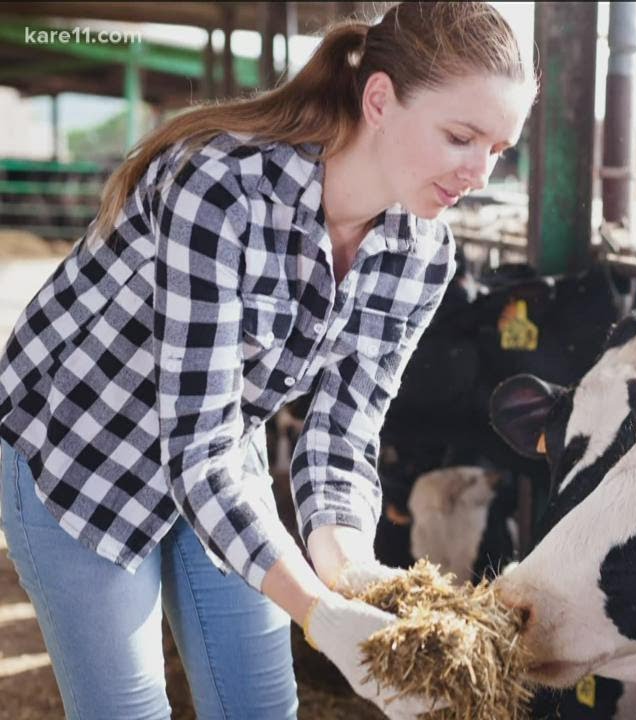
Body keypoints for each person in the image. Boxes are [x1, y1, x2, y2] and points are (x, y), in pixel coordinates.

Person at [0, 2, 534, 718]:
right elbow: (196, 447)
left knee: (260, 706)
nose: (479, 171)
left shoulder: (421, 254)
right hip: (81, 450)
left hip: (219, 452)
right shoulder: (221, 186)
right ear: (380, 99)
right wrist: (314, 610)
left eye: (498, 149)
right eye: (461, 136)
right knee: (128, 710)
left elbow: (342, 435)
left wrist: (352, 577)